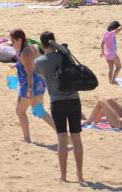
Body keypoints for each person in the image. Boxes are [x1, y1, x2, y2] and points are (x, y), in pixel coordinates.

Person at [33, 31, 84, 184]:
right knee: (76, 139)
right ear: (54, 41)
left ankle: (63, 176)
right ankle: (80, 175)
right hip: (74, 100)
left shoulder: (39, 62)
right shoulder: (65, 55)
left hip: (56, 102)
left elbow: (40, 76)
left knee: (62, 139)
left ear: (42, 44)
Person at [9, 29, 55, 143]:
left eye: (13, 41)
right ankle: (62, 132)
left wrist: (30, 90)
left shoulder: (24, 53)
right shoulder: (32, 46)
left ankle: (26, 138)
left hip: (30, 86)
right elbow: (36, 64)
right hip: (40, 83)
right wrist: (16, 66)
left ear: (20, 40)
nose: (12, 43)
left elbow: (29, 72)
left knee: (20, 111)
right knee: (39, 111)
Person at [101, 21, 122, 85]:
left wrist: (102, 53)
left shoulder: (106, 34)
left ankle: (110, 81)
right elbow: (117, 30)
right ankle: (113, 80)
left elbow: (102, 44)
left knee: (111, 69)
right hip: (112, 53)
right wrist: (121, 27)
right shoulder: (112, 33)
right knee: (119, 67)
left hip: (106, 54)